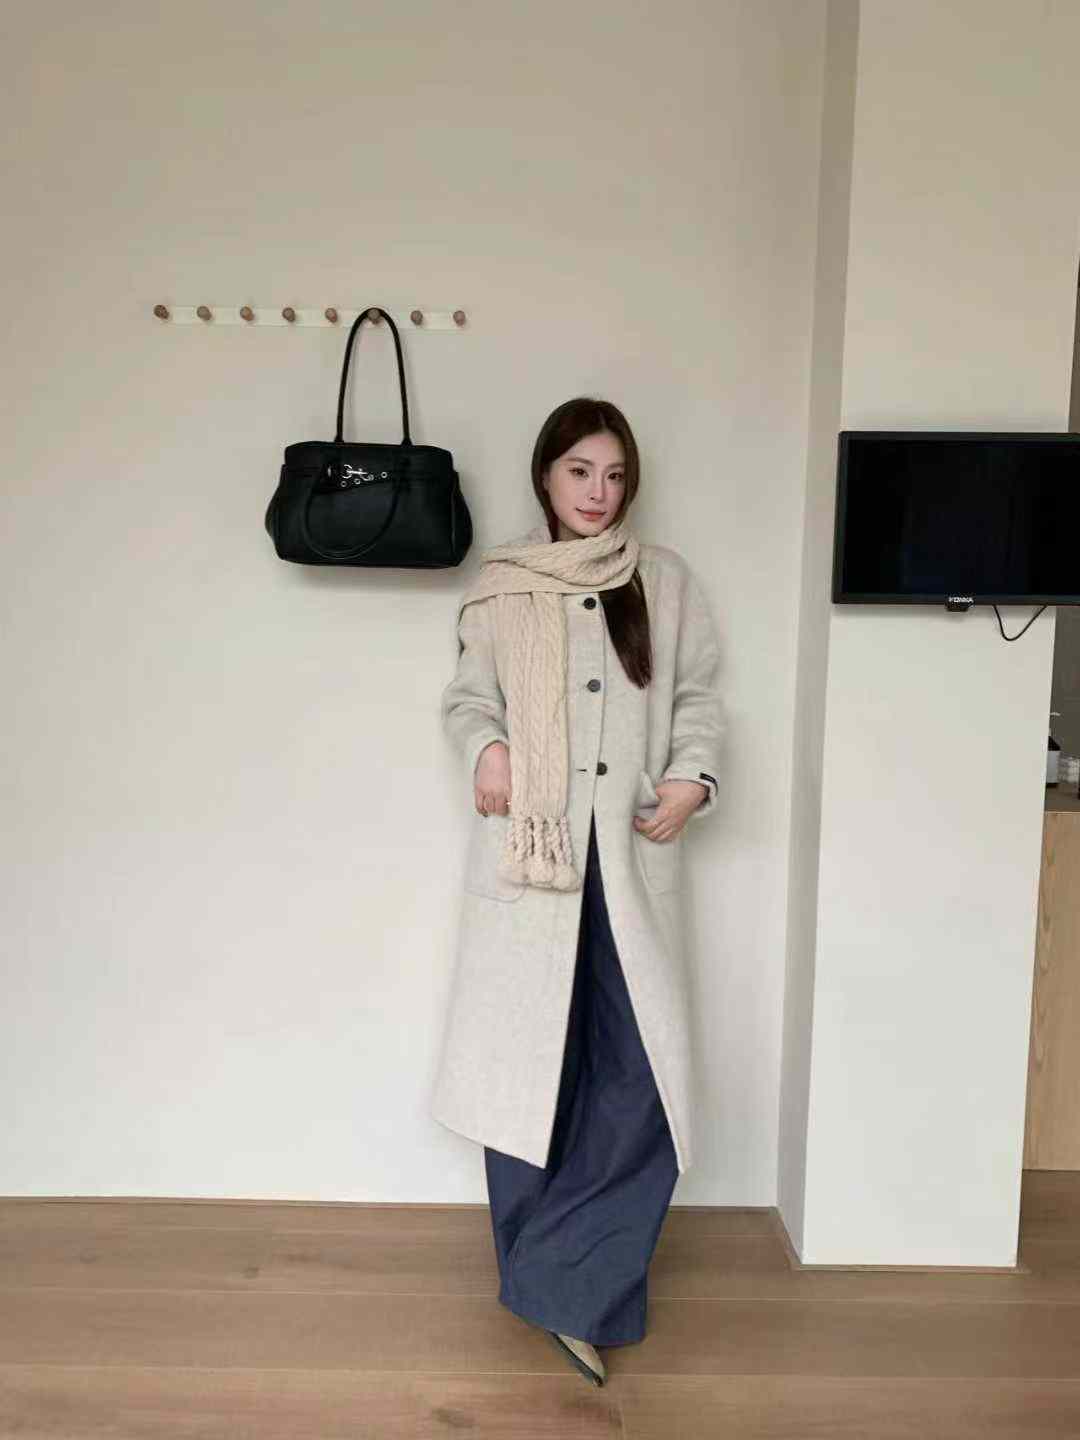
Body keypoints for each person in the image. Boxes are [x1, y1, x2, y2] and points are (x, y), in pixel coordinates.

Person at [432, 396, 725, 1386]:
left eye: (614, 475)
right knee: (531, 1075)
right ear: (546, 476)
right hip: (535, 864)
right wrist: (490, 747)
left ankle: (557, 1281)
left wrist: (692, 777)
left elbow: (698, 698)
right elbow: (468, 699)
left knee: (641, 1081)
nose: (598, 493)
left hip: (631, 860)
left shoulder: (665, 582)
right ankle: (559, 1283)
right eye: (579, 472)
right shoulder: (503, 584)